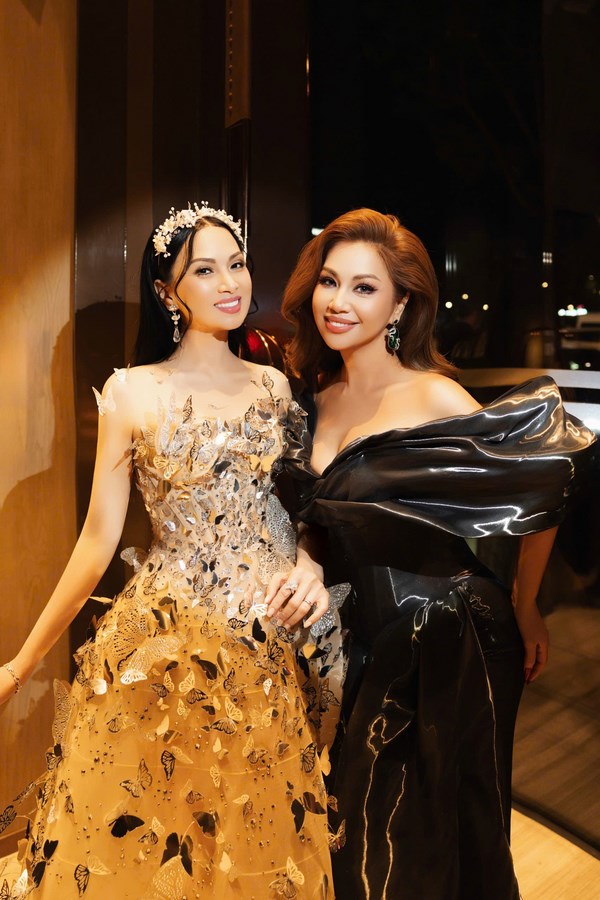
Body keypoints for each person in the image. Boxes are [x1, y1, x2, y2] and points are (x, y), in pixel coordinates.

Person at [0, 203, 335, 899]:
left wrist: (307, 560)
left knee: (253, 838)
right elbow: (98, 540)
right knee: (154, 837)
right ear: (167, 291)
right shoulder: (132, 391)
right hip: (166, 647)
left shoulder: (275, 387)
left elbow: (301, 509)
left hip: (264, 647)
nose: (229, 283)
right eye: (203, 271)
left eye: (236, 265)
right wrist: (19, 665)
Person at [271, 208, 596, 899]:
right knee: (366, 832)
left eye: (364, 288)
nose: (339, 301)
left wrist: (525, 602)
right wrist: (306, 555)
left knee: (418, 838)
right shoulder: (319, 395)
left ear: (400, 305)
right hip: (359, 635)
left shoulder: (432, 394)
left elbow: (549, 481)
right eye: (330, 281)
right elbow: (319, 513)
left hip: (445, 634)